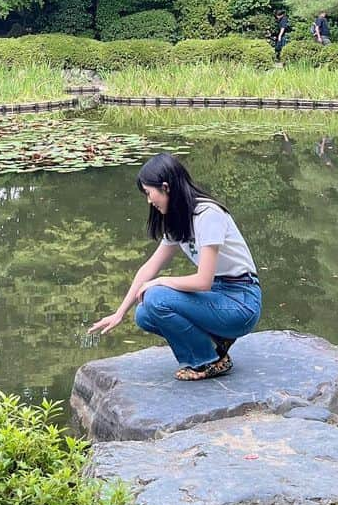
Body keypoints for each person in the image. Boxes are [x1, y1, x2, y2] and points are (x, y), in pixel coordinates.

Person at [89, 153, 262, 381]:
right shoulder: (179, 219)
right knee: (144, 314)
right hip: (218, 297)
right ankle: (214, 345)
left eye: (149, 194)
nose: (149, 201)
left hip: (241, 301)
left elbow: (203, 281)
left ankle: (208, 360)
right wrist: (120, 313)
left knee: (156, 297)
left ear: (165, 187)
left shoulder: (207, 215)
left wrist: (161, 281)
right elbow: (150, 267)